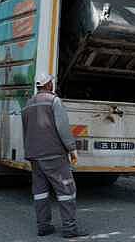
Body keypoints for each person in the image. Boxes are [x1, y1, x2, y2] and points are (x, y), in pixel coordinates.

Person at [21, 73, 89, 238]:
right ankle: (70, 229)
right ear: (49, 85)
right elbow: (63, 127)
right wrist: (72, 149)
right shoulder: (54, 101)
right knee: (66, 190)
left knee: (40, 191)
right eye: (52, 82)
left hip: (35, 155)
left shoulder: (28, 104)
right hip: (54, 155)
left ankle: (43, 226)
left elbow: (26, 130)